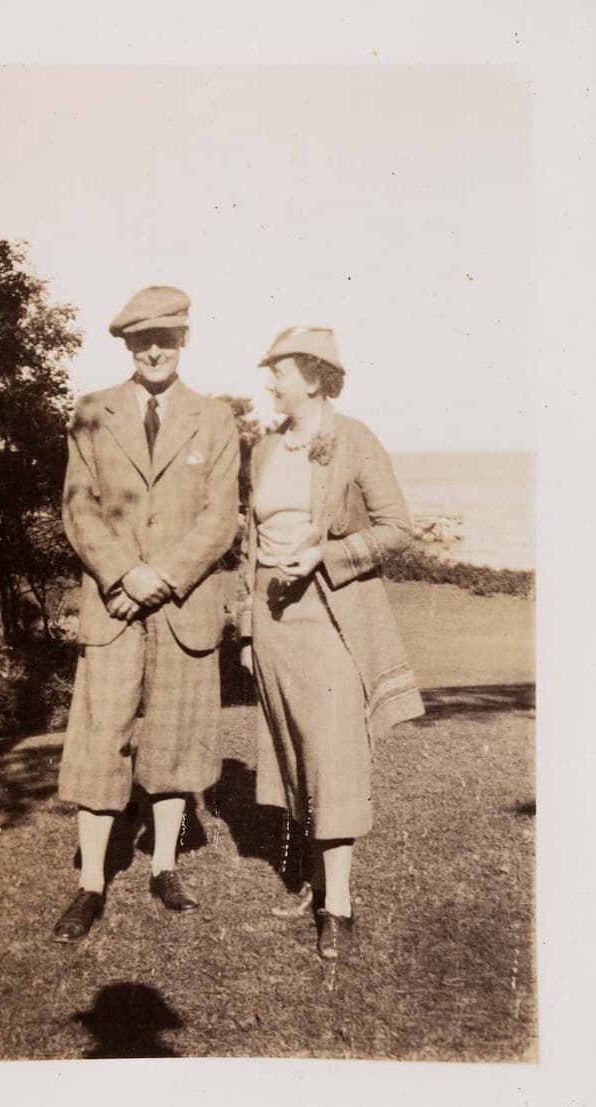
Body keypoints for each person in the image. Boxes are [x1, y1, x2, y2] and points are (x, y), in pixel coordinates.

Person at [53, 285, 240, 942]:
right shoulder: (91, 412)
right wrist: (122, 572)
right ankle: (91, 885)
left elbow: (221, 518)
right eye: (142, 339)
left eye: (166, 336)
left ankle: (163, 867)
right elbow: (77, 508)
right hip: (113, 605)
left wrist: (159, 577)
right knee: (101, 738)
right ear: (127, 345)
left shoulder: (214, 418)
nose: (155, 349)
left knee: (173, 738)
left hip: (182, 607)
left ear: (183, 340)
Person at [239, 326, 424, 960]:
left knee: (335, 756)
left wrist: (327, 553)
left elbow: (400, 529)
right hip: (274, 628)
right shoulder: (264, 450)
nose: (269, 381)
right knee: (295, 752)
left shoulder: (355, 440)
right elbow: (250, 546)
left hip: (332, 621)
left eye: (279, 371)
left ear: (314, 377)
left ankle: (338, 905)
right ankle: (314, 882)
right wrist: (245, 628)